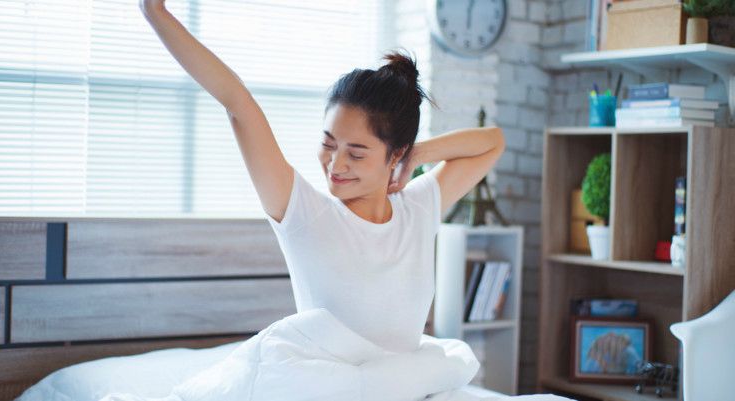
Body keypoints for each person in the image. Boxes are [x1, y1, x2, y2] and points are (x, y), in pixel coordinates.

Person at [140, 0, 505, 353]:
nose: (336, 164)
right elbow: (238, 104)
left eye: (356, 152)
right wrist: (154, 12)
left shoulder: (419, 208)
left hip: (406, 387)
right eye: (328, 143)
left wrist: (417, 155)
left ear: (394, 153)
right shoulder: (304, 213)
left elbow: (493, 142)